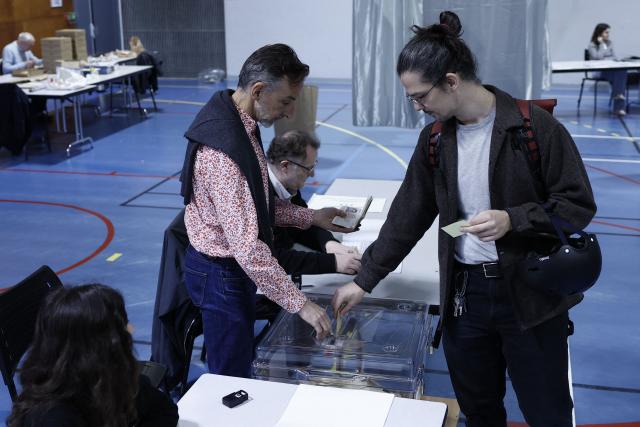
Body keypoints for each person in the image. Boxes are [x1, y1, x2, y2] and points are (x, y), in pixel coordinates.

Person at [332, 11, 596, 427]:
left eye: (421, 96)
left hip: (529, 297)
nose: (418, 107)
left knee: (547, 412)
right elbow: (408, 214)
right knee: (479, 410)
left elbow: (577, 204)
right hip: (465, 298)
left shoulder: (533, 128)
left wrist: (514, 219)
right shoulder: (436, 139)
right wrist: (364, 279)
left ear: (451, 81)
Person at [180, 43, 350, 378]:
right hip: (221, 273)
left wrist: (311, 217)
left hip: (229, 268)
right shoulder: (224, 154)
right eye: (286, 100)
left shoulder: (242, 121)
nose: (289, 113)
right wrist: (301, 304)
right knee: (232, 374)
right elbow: (248, 248)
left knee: (239, 358)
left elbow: (254, 204)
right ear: (258, 90)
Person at [7, 284, 178, 427]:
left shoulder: (114, 379)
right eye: (123, 330)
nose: (130, 334)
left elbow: (165, 412)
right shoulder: (52, 417)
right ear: (99, 348)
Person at [267, 129, 361, 276]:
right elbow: (274, 259)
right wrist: (334, 263)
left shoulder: (288, 184)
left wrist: (329, 244)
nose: (312, 174)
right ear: (285, 166)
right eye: (307, 168)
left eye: (313, 166)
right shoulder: (261, 194)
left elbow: (301, 226)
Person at [587, 23, 627, 115]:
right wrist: (601, 44)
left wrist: (608, 58)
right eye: (606, 32)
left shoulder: (610, 43)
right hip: (599, 71)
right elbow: (598, 58)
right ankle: (618, 104)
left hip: (611, 70)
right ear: (599, 33)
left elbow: (613, 57)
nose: (608, 35)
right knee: (619, 76)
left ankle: (618, 96)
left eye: (608, 32)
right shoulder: (592, 45)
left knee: (621, 71)